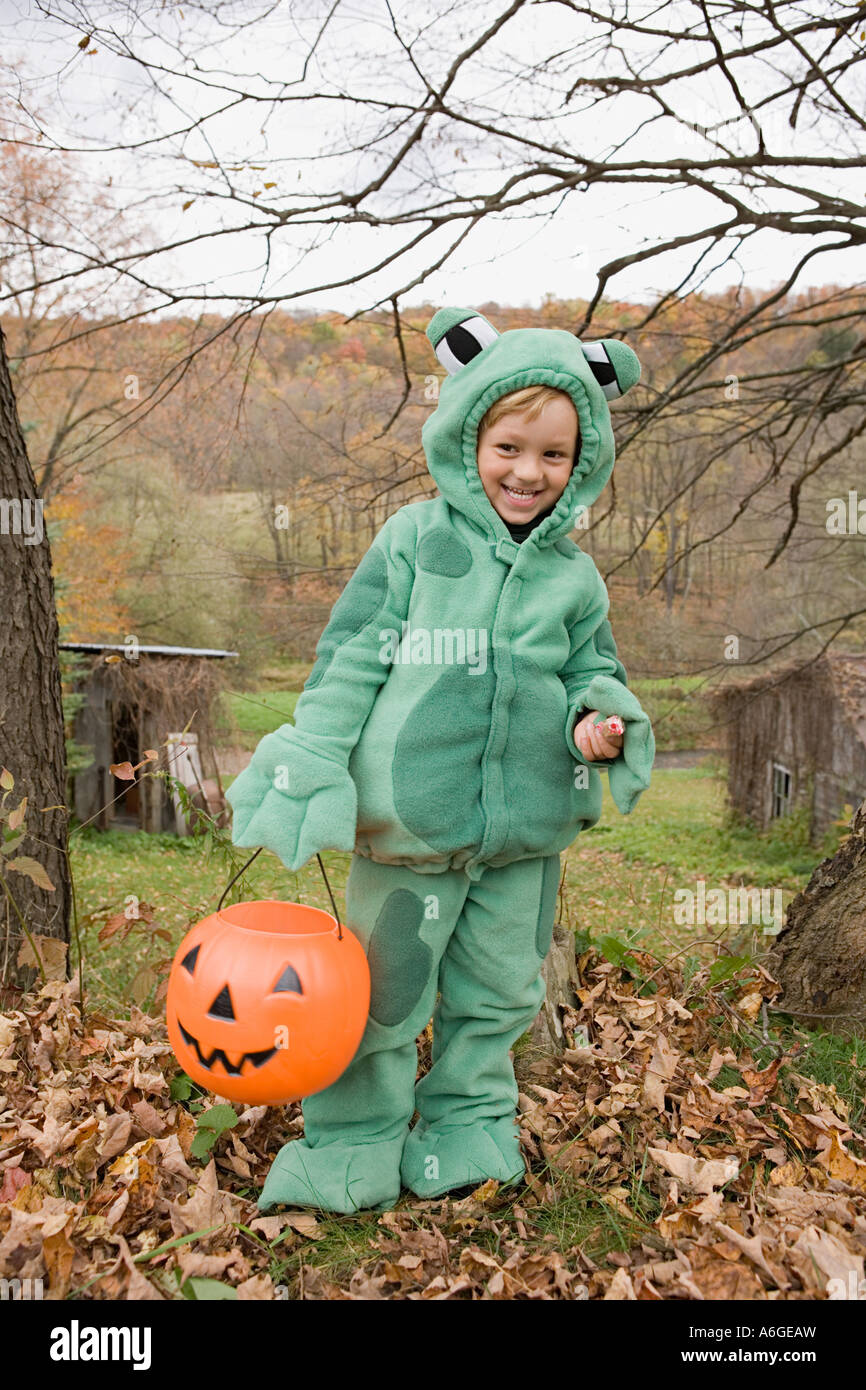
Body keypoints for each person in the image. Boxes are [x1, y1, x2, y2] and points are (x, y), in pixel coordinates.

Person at [225, 307, 655, 1213]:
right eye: (508, 446)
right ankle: (353, 1138)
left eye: (552, 456)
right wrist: (314, 750)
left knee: (498, 993)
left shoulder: (574, 577)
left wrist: (597, 720)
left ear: (583, 464)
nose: (527, 473)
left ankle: (464, 1124)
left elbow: (592, 670)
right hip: (408, 830)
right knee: (381, 997)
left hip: (523, 838)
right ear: (468, 436)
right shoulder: (416, 540)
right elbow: (354, 653)